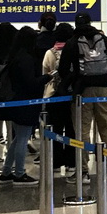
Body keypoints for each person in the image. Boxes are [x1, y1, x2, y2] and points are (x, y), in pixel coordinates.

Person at [58, 12, 107, 184]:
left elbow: (63, 69)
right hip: (104, 89)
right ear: (91, 23)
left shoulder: (73, 42)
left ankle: (83, 172)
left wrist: (72, 80)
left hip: (82, 91)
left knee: (82, 131)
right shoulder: (103, 40)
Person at [0, 27, 51, 186]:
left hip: (16, 102)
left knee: (18, 138)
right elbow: (31, 83)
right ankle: (19, 173)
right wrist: (47, 77)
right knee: (22, 138)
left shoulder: (15, 56)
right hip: (26, 103)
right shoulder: (26, 59)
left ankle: (6, 171)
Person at [42, 22, 75, 172]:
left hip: (53, 95)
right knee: (71, 128)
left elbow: (45, 73)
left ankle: (56, 162)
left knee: (55, 129)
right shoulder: (74, 51)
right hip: (70, 94)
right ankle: (71, 162)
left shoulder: (50, 53)